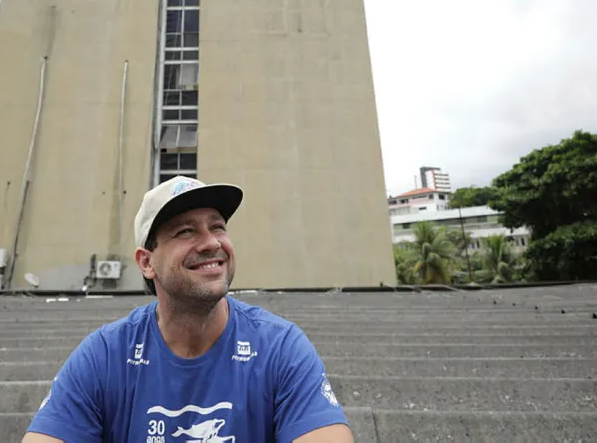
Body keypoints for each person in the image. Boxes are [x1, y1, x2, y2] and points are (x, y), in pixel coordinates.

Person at [23, 175, 353, 443]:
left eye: (218, 226)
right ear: (146, 262)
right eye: (186, 231)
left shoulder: (280, 348)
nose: (211, 242)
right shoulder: (105, 356)